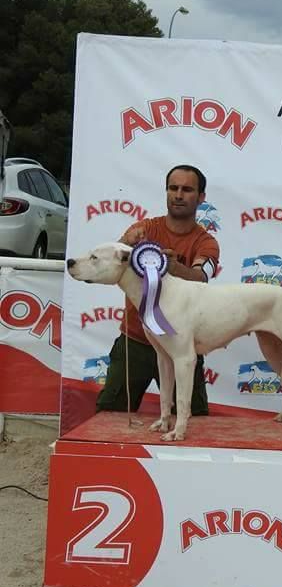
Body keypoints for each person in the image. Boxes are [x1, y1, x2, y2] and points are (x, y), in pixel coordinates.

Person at [96, 164, 220, 414]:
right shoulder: (143, 230)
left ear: (201, 197)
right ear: (166, 192)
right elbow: (110, 263)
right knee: (108, 417)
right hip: (135, 342)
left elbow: (201, 278)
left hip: (181, 345)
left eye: (187, 189)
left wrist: (174, 268)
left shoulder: (206, 243)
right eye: (173, 188)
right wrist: (124, 242)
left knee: (194, 423)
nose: (178, 195)